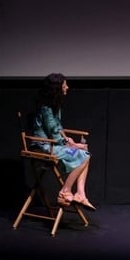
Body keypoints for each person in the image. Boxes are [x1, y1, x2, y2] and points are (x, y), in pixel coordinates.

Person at [32, 72, 95, 210]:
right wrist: (72, 144)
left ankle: (80, 194)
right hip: (44, 146)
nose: (67, 87)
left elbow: (58, 127)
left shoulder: (54, 105)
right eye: (65, 85)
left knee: (84, 153)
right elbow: (54, 133)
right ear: (57, 88)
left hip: (53, 144)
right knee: (83, 155)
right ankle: (65, 192)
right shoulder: (45, 108)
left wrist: (68, 139)